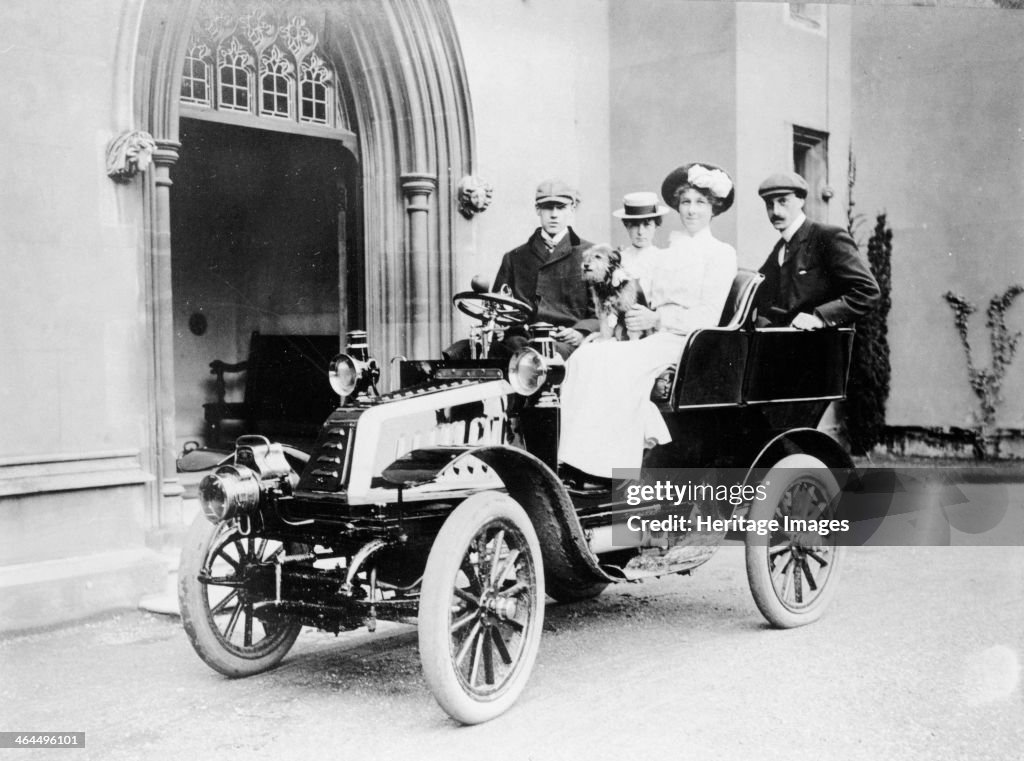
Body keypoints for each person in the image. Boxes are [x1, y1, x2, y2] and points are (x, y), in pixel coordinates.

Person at [557, 163, 738, 478]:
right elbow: (644, 298)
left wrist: (656, 317)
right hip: (656, 334)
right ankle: (577, 458)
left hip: (690, 341)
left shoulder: (720, 253)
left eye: (700, 203)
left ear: (714, 208)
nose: (691, 210)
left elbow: (708, 316)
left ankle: (611, 468)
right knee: (588, 355)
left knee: (620, 363)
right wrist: (624, 323)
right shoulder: (670, 252)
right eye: (685, 202)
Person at [448, 179, 597, 360]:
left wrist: (581, 332)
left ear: (571, 209)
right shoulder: (515, 257)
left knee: (540, 359)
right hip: (519, 341)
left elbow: (600, 311)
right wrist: (499, 329)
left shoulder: (589, 254)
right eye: (547, 208)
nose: (554, 215)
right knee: (459, 353)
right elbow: (498, 308)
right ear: (537, 210)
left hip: (564, 343)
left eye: (561, 207)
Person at [754, 172, 880, 329]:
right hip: (786, 347)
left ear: (801, 200)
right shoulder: (780, 248)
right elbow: (761, 297)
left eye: (783, 201)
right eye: (769, 204)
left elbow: (867, 291)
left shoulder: (828, 237)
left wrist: (820, 317)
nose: (776, 211)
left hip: (822, 347)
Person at [611, 191, 672, 295]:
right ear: (627, 226)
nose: (640, 232)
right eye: (635, 225)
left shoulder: (663, 258)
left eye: (647, 225)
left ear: (656, 225)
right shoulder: (619, 258)